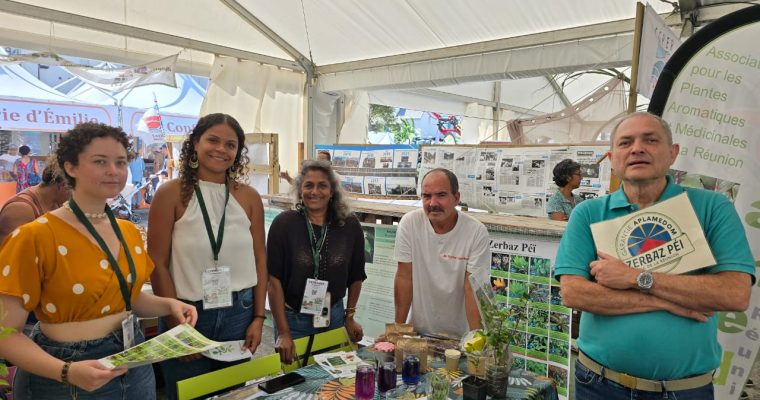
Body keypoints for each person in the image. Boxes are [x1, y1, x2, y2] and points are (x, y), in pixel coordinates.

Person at [554, 112, 755, 399]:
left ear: (672, 153)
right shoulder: (588, 213)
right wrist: (672, 302)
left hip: (683, 390)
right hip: (598, 383)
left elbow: (735, 294)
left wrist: (635, 277)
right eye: (626, 142)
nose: (637, 148)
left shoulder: (712, 207)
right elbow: (574, 294)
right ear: (612, 158)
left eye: (650, 140)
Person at [0, 122, 197, 399]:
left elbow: (127, 298)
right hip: (65, 370)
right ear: (70, 167)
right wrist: (66, 370)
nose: (113, 171)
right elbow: (5, 334)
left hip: (133, 360)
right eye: (99, 161)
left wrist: (169, 304)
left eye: (120, 162)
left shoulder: (127, 230)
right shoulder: (35, 236)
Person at [147, 113, 268, 400]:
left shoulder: (249, 197)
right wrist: (177, 326)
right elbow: (157, 264)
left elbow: (260, 258)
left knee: (235, 393)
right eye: (213, 140)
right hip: (186, 312)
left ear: (238, 153)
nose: (221, 149)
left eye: (230, 144)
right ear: (195, 144)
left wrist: (259, 317)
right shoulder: (170, 194)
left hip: (240, 311)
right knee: (188, 392)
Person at [267, 159, 366, 364]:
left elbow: (356, 276)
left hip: (334, 317)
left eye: (322, 185)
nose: (315, 192)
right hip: (293, 320)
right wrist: (284, 332)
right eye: (308, 185)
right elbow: (273, 281)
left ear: (332, 191)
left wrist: (350, 317)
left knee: (330, 381)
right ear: (300, 189)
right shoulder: (284, 224)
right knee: (297, 385)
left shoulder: (349, 225)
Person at [393, 168, 490, 337]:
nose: (433, 203)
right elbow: (404, 277)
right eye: (427, 196)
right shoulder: (410, 223)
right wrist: (398, 329)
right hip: (418, 331)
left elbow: (471, 288)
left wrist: (476, 339)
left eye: (441, 195)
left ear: (456, 198)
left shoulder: (475, 231)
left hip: (460, 334)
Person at [0, 162, 70, 243]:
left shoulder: (57, 202)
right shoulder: (20, 209)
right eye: (77, 190)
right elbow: (10, 252)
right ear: (62, 185)